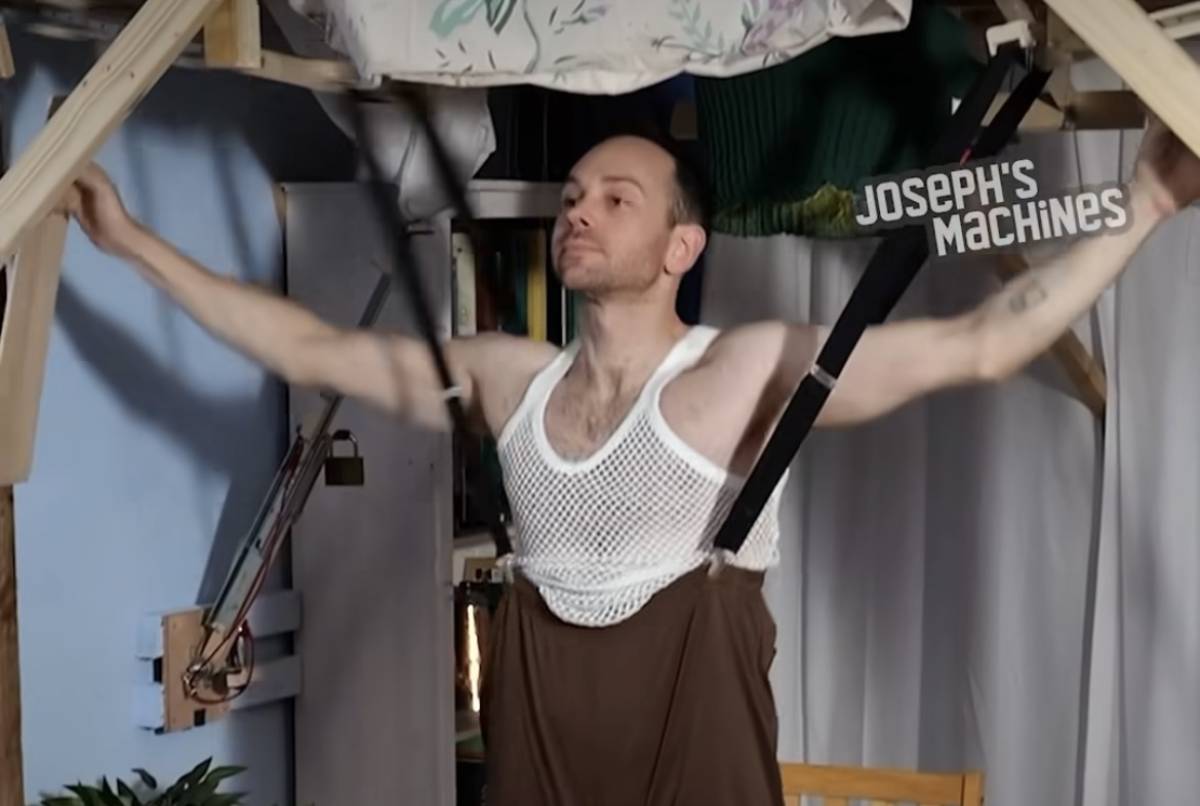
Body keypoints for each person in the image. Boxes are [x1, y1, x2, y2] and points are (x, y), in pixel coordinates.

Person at [62, 114, 1200, 805]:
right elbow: (311, 347)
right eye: (572, 197)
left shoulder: (742, 369)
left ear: (680, 245)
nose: (580, 212)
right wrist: (131, 244)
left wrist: (1146, 202)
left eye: (618, 198)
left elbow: (982, 342)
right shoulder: (506, 376)